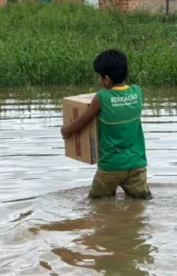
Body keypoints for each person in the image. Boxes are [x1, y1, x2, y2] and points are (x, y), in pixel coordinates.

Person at [61, 49, 151, 200]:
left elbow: (83, 121)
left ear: (107, 79)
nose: (99, 81)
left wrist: (66, 130)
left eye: (99, 77)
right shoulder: (137, 92)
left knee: (97, 203)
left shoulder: (102, 97)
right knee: (140, 201)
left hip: (111, 166)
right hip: (137, 164)